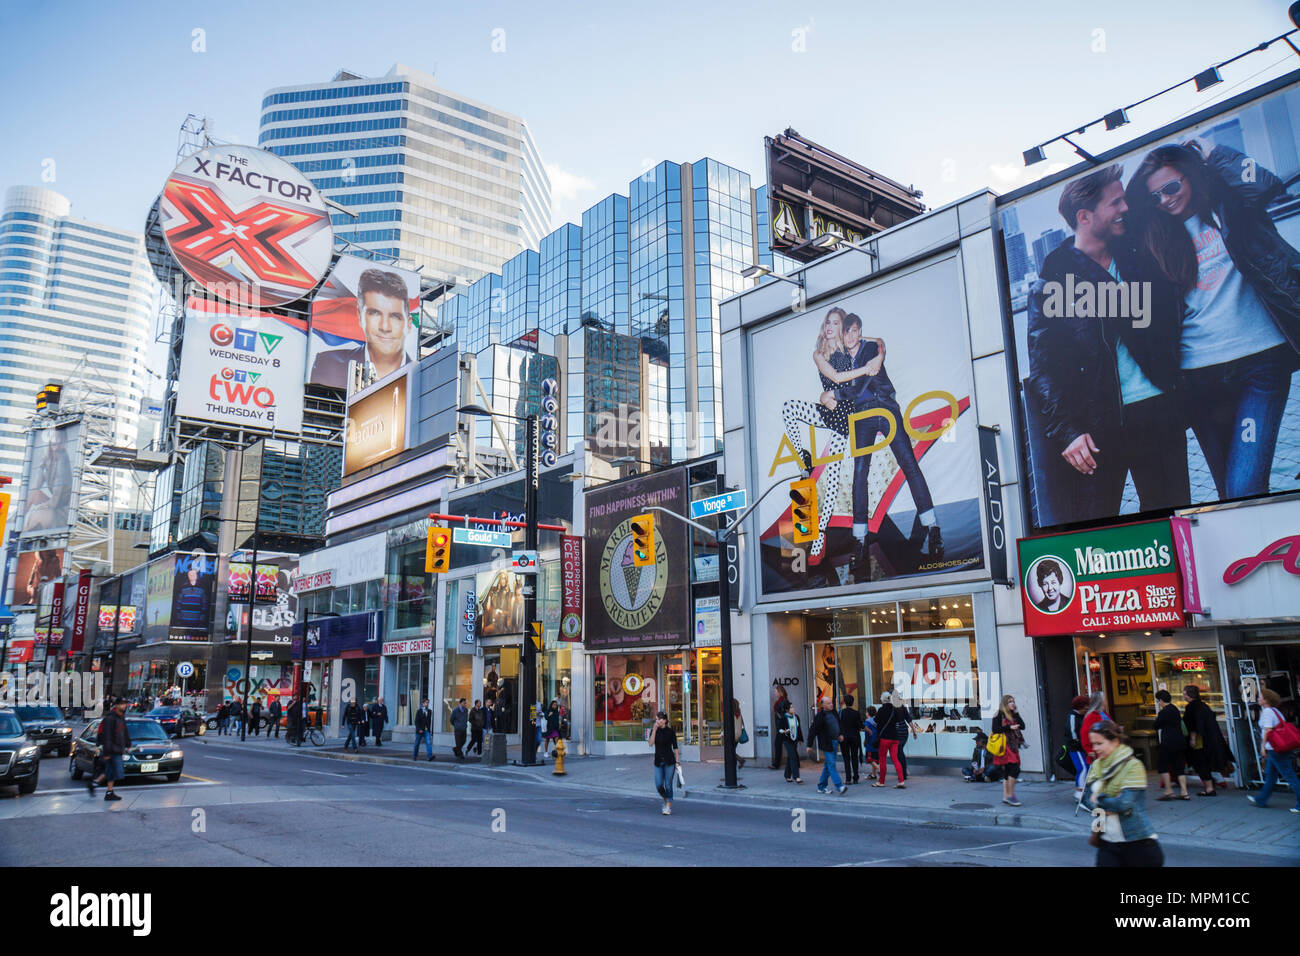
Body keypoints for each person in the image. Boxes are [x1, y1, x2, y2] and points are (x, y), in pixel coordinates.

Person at [1125, 139, 1300, 501]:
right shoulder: (1154, 238)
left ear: (1191, 175)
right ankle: (1253, 558)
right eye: (1155, 195)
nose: (1165, 200)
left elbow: (1265, 183)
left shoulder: (1234, 207)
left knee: (1245, 486)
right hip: (1199, 378)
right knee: (1228, 494)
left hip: (1261, 364)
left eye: (1172, 187)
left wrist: (1211, 151)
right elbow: (1128, 209)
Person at [1026, 164, 1189, 526]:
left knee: (1175, 533)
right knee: (1097, 542)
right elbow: (1042, 372)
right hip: (1095, 431)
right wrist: (1068, 433)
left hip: (1160, 414)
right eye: (1115, 203)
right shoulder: (1054, 284)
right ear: (1085, 217)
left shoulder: (1141, 257)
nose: (1125, 209)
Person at [833, 312, 943, 581]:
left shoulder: (871, 348)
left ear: (860, 332)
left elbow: (859, 383)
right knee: (860, 473)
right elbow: (849, 385)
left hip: (885, 408)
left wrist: (837, 391)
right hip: (861, 418)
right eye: (847, 332)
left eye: (855, 331)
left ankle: (933, 527)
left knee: (909, 464)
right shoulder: (841, 359)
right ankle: (859, 539)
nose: (851, 336)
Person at [779, 307, 883, 561]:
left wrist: (878, 357)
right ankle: (803, 456)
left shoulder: (852, 346)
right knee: (790, 408)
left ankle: (818, 540)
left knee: (832, 481)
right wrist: (866, 368)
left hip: (846, 419)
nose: (829, 327)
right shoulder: (819, 354)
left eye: (835, 323)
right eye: (827, 322)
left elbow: (879, 342)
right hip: (830, 411)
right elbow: (836, 378)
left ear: (844, 327)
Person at [309, 268, 415, 387]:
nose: (385, 327)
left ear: (409, 324)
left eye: (395, 317)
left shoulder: (420, 378)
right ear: (360, 317)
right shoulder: (329, 364)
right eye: (375, 313)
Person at [1083, 720, 1164, 867]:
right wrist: (1104, 802)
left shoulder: (1133, 765)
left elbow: (1124, 803)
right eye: (1093, 744)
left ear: (1114, 741)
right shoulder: (1096, 765)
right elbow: (1086, 800)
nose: (1095, 748)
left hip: (1137, 842)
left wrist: (1098, 799)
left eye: (1099, 744)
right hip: (1107, 841)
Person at [1247, 688, 1300, 813]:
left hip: (1275, 749)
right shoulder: (1276, 711)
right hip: (1280, 748)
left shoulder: (1267, 713)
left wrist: (1262, 746)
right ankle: (1261, 799)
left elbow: (1268, 730)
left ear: (1266, 700)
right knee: (1271, 775)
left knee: (1289, 776)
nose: (1258, 698)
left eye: (1260, 697)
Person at [1183, 685, 1229, 796]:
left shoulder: (1191, 708)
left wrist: (1193, 739)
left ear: (1189, 695)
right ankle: (1211, 784)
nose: (1183, 696)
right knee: (1205, 762)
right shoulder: (1204, 706)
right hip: (1208, 739)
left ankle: (1209, 788)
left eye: (1184, 693)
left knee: (1200, 762)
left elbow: (1192, 725)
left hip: (1199, 740)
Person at [89, 698, 131, 801]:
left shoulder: (121, 718)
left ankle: (105, 790)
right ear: (116, 705)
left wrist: (128, 743)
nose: (124, 706)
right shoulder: (110, 718)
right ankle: (100, 787)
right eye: (122, 704)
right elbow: (107, 736)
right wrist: (107, 752)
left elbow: (124, 732)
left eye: (125, 704)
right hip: (112, 749)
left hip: (117, 749)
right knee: (117, 772)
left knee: (110, 771)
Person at [990, 694, 1027, 806]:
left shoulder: (1013, 715)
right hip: (1004, 746)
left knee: (1007, 771)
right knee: (1015, 769)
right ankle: (1011, 796)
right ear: (1005, 703)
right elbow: (995, 729)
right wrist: (1009, 727)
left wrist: (1017, 713)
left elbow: (1023, 726)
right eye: (1010, 701)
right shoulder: (999, 714)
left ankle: (1006, 796)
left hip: (1013, 746)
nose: (1013, 703)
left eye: (1013, 701)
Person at [1153, 689, 1190, 801]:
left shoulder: (1163, 712)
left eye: (1158, 701)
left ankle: (1169, 791)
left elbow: (1156, 725)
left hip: (1167, 742)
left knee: (1163, 766)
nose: (1158, 703)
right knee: (1179, 767)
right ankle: (1184, 792)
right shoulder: (1175, 709)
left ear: (1161, 700)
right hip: (1179, 741)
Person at [808, 696, 847, 794]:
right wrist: (809, 745)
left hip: (835, 742)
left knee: (827, 766)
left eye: (831, 703)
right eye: (829, 703)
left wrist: (840, 734)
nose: (831, 704)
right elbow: (813, 730)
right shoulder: (820, 716)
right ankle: (839, 786)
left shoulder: (834, 712)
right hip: (827, 744)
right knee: (831, 765)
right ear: (823, 705)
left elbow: (839, 724)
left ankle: (821, 786)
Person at [872, 692, 908, 788]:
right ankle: (901, 781)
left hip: (884, 738)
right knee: (895, 759)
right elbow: (898, 720)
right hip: (895, 738)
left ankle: (881, 781)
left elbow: (875, 721)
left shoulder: (881, 710)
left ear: (883, 700)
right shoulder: (894, 709)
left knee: (883, 760)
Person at [650, 710, 680, 815]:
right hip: (658, 761)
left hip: (669, 761)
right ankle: (666, 798)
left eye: (660, 719)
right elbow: (650, 743)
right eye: (657, 719)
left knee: (668, 785)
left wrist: (677, 761)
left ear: (665, 720)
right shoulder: (655, 731)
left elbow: (675, 747)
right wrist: (654, 730)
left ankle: (668, 806)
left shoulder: (670, 732)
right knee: (658, 785)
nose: (657, 720)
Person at [1065, 694, 1090, 797]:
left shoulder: (1081, 716)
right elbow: (1073, 734)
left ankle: (1081, 790)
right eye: (1085, 706)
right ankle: (1079, 792)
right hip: (1075, 747)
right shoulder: (1073, 717)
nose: (1087, 708)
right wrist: (1081, 742)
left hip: (1081, 746)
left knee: (1086, 767)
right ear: (1080, 706)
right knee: (1082, 768)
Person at [776, 699, 803, 784]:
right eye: (791, 708)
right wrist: (784, 732)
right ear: (787, 710)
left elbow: (799, 729)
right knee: (794, 757)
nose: (793, 709)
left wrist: (800, 739)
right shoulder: (784, 718)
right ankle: (796, 776)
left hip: (794, 740)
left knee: (790, 757)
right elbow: (779, 729)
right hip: (787, 740)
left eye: (793, 707)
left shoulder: (796, 717)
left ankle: (787, 775)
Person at [838, 693, 863, 784]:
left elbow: (838, 725)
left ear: (844, 702)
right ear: (853, 702)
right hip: (855, 737)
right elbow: (861, 726)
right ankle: (855, 777)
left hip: (844, 738)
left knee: (846, 758)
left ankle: (848, 778)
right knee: (854, 757)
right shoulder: (856, 713)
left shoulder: (841, 713)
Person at [1080, 692, 1109, 762]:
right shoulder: (1091, 716)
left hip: (1109, 752)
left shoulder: (1104, 714)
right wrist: (1089, 750)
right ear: (1100, 701)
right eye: (1104, 699)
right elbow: (1084, 734)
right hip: (1099, 755)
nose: (1106, 701)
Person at [770, 684, 789, 770]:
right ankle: (795, 763)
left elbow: (782, 714)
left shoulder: (782, 702)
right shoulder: (782, 701)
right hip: (781, 726)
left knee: (778, 744)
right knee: (787, 745)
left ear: (780, 692)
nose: (775, 693)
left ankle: (776, 764)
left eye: (776, 692)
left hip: (782, 727)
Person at [862, 705, 879, 781]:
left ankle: (880, 769)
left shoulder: (867, 722)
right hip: (877, 742)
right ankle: (873, 774)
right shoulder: (877, 720)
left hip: (870, 743)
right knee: (875, 758)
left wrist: (865, 741)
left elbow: (866, 732)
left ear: (868, 713)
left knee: (869, 759)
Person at [731, 698, 746, 770]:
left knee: (729, 751)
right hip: (738, 735)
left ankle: (740, 760)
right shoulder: (738, 713)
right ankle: (736, 763)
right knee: (732, 751)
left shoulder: (731, 714)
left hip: (733, 735)